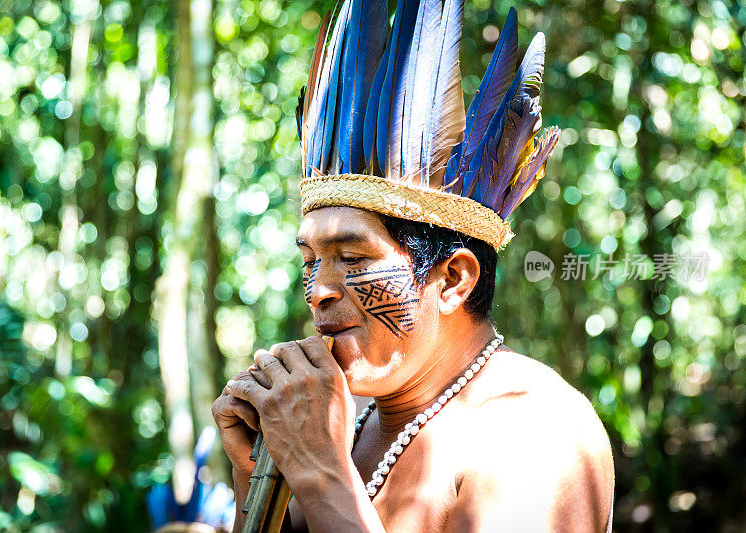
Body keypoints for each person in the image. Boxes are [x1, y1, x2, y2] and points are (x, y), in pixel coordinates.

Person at [212, 1, 615, 531]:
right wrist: (260, 473)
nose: (317, 291)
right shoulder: (355, 428)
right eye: (310, 261)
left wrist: (318, 470)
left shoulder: (536, 428)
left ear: (452, 279)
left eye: (352, 258)